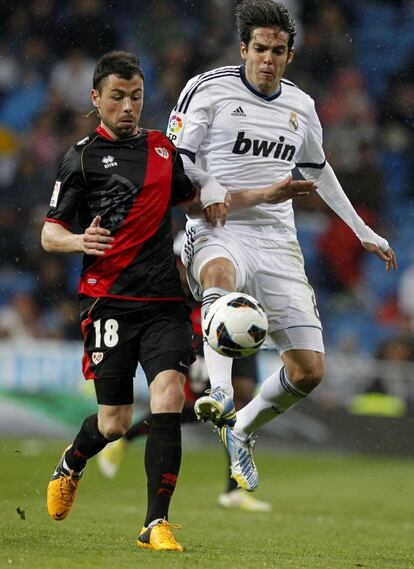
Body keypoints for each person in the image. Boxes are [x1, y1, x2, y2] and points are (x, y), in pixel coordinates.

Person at [166, 0, 397, 492]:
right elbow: (174, 161)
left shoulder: (301, 106)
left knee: (310, 370)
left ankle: (242, 432)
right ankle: (222, 392)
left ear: (290, 55)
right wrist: (208, 186)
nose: (267, 59)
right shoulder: (206, 90)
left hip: (276, 240)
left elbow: (318, 170)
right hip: (215, 226)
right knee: (219, 278)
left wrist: (361, 230)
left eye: (277, 50)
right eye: (259, 49)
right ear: (242, 48)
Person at [41, 50, 198, 552]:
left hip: (164, 300)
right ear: (96, 99)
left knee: (170, 396)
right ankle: (73, 460)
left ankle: (156, 523)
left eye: (136, 96)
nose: (128, 106)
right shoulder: (81, 157)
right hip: (108, 301)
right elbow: (49, 234)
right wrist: (78, 242)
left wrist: (256, 197)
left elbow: (195, 199)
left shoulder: (162, 150)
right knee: (115, 423)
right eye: (117, 97)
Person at [97, 302, 272, 512]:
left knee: (240, 409)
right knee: (191, 409)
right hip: (211, 328)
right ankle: (125, 439)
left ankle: (234, 490)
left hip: (246, 321)